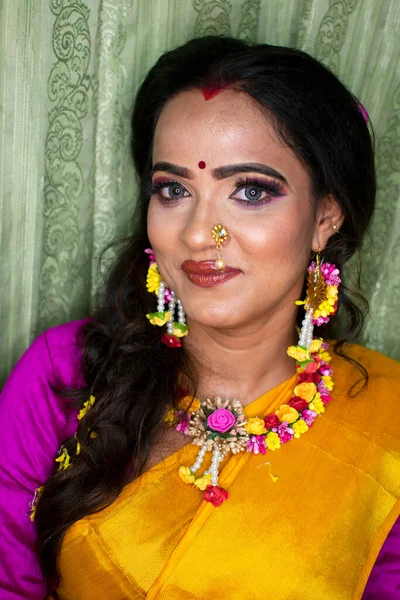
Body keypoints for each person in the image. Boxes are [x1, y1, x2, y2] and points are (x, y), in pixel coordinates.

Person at [0, 35, 399, 600]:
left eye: (251, 191)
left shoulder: (389, 423)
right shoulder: (62, 376)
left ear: (325, 217)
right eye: (173, 188)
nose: (195, 233)